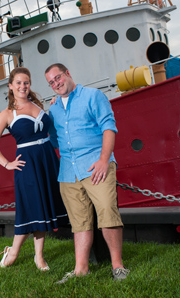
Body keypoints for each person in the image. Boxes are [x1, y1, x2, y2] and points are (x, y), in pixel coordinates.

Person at [44, 63, 128, 283]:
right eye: (51, 82)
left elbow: (109, 127)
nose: (56, 83)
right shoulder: (53, 108)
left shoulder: (93, 96)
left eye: (58, 77)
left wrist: (103, 160)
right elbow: (54, 138)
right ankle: (81, 269)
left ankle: (118, 266)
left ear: (68, 74)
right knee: (79, 223)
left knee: (107, 213)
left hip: (95, 167)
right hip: (68, 172)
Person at [0, 67, 67, 271]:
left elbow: (51, 128)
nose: (23, 86)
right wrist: (7, 163)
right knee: (30, 208)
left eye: (26, 82)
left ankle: (39, 257)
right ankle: (13, 251)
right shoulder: (7, 114)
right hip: (27, 164)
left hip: (47, 161)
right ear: (11, 86)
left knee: (43, 208)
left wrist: (54, 107)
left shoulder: (38, 106)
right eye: (19, 83)